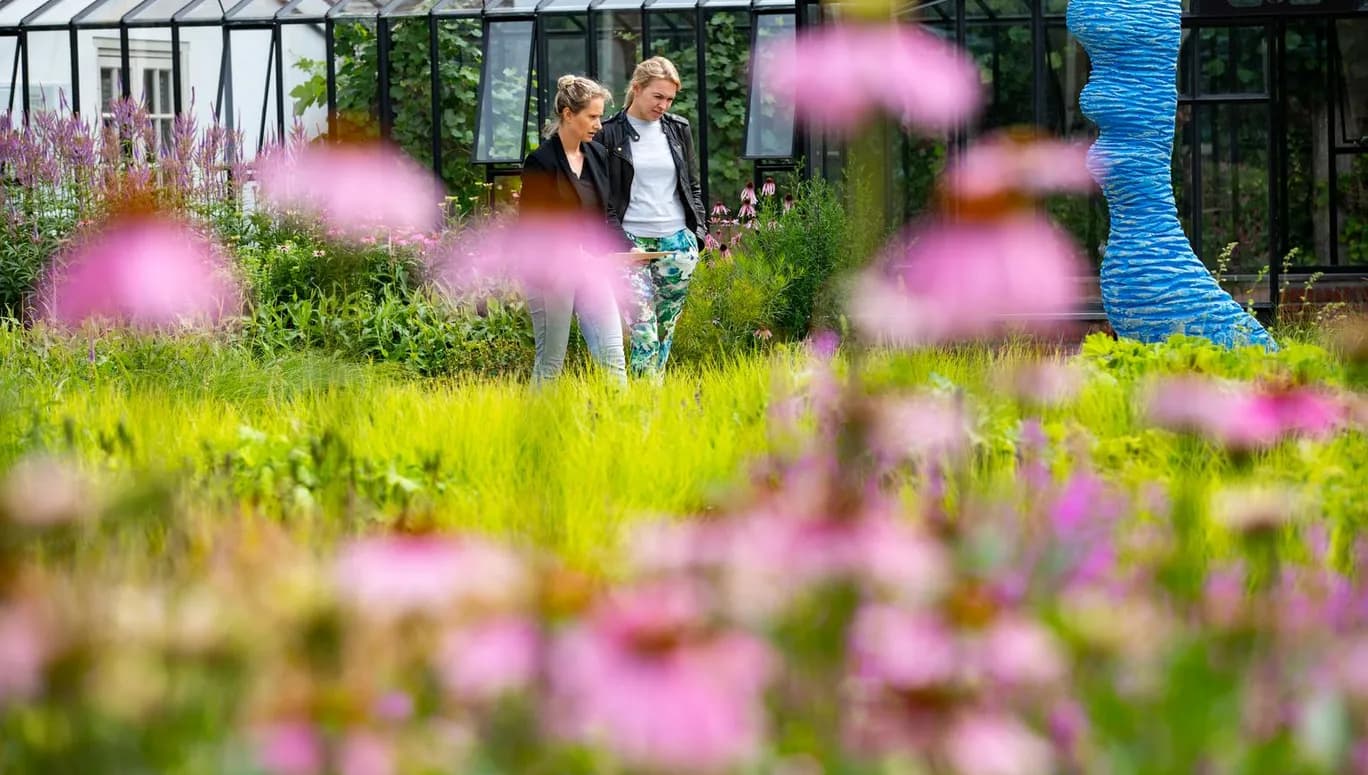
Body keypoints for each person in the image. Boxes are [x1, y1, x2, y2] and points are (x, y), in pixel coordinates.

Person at [598, 56, 708, 381]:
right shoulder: (608, 134)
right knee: (644, 329)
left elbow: (693, 185)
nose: (664, 104)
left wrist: (696, 235)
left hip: (677, 244)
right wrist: (618, 242)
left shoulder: (678, 129)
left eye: (670, 99)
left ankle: (652, 405)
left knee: (664, 330)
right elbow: (602, 199)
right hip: (630, 246)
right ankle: (643, 405)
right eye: (657, 96)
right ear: (637, 88)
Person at [520, 75, 627, 385]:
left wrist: (626, 249)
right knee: (550, 363)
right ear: (568, 114)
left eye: (600, 116)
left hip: (592, 269)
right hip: (550, 274)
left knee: (613, 358)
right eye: (592, 116)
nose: (599, 124)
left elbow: (606, 212)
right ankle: (536, 429)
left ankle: (622, 426)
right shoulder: (540, 162)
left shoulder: (597, 155)